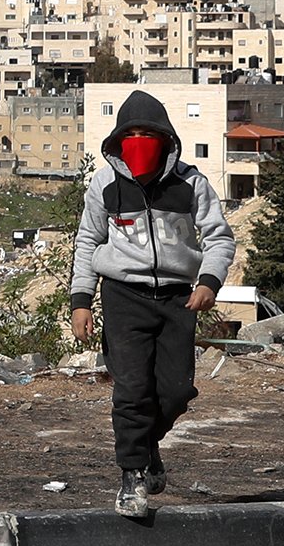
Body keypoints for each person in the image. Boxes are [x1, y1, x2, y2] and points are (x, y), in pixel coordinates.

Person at [69, 89, 235, 518]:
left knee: (175, 392)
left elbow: (219, 238)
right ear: (118, 140)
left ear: (165, 138)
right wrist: (81, 300)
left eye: (148, 134)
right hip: (123, 295)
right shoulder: (105, 185)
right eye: (131, 135)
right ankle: (132, 477)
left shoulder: (191, 183)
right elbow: (87, 241)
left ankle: (146, 445)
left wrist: (209, 281)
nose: (139, 141)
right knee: (132, 390)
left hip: (178, 299)